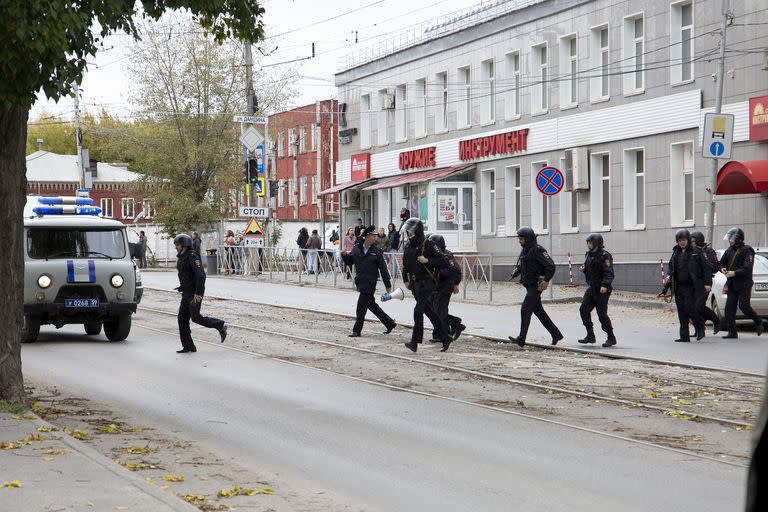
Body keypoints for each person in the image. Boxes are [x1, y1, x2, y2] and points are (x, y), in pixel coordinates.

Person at [401, 217, 452, 352]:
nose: (409, 234)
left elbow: (444, 260)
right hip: (415, 284)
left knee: (417, 311)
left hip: (427, 283)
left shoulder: (428, 244)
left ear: (417, 231)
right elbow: (405, 265)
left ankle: (415, 342)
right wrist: (405, 280)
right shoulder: (408, 246)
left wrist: (427, 260)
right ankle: (445, 336)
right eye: (407, 232)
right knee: (430, 312)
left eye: (411, 232)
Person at [507, 226, 563, 347]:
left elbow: (551, 266)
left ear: (527, 239)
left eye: (521, 239)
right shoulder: (526, 250)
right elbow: (523, 264)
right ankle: (556, 334)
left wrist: (546, 279)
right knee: (539, 312)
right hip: (528, 284)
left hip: (536, 286)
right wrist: (516, 271)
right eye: (519, 239)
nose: (519, 241)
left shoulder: (538, 250)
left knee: (525, 309)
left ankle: (521, 339)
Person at [173, 233, 226, 353]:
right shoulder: (182, 257)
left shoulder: (192, 256)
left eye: (178, 245)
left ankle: (220, 325)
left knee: (196, 317)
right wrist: (182, 286)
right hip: (186, 293)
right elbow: (185, 275)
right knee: (182, 318)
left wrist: (198, 293)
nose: (176, 247)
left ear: (184, 245)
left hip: (194, 293)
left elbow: (201, 276)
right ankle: (188, 346)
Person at [341, 225, 397, 337]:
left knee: (360, 307)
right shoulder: (356, 248)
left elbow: (383, 269)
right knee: (371, 305)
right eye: (373, 236)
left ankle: (357, 330)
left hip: (370, 283)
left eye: (376, 236)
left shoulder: (377, 251)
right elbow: (350, 261)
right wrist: (344, 255)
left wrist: (388, 285)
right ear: (366, 237)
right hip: (360, 281)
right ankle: (389, 323)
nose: (375, 238)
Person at [718, 227, 765, 339]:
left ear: (739, 238)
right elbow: (720, 263)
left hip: (744, 283)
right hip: (732, 284)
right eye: (729, 238)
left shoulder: (747, 250)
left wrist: (734, 273)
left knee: (744, 306)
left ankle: (758, 322)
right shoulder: (729, 250)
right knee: (729, 308)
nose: (730, 240)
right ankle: (732, 332)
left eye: (732, 238)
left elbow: (747, 268)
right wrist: (722, 269)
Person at [665, 229, 706, 342]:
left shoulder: (696, 251)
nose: (682, 242)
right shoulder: (675, 252)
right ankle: (684, 336)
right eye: (679, 240)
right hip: (679, 285)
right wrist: (668, 275)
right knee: (681, 311)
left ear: (688, 240)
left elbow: (705, 268)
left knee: (689, 308)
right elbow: (671, 266)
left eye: (683, 240)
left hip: (691, 285)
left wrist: (707, 283)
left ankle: (700, 326)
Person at [577, 233, 616, 347]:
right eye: (588, 243)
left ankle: (611, 337)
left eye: (590, 243)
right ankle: (590, 335)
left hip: (602, 289)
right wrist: (584, 269)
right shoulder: (588, 255)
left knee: (601, 314)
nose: (588, 245)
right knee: (583, 310)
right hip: (592, 287)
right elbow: (589, 268)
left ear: (596, 243)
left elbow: (609, 272)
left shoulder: (605, 255)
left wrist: (605, 284)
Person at [427, 233, 465, 341]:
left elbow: (456, 271)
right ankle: (444, 331)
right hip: (436, 288)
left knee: (439, 312)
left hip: (445, 287)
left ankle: (455, 325)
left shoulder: (446, 256)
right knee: (435, 312)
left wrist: (455, 283)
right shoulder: (436, 254)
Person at [690, 230, 721, 335]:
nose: (691, 243)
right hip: (693, 283)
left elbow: (715, 267)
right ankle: (699, 329)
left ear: (698, 241)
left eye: (693, 241)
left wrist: (706, 262)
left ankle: (716, 320)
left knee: (698, 306)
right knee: (693, 307)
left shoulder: (709, 251)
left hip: (705, 282)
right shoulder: (691, 250)